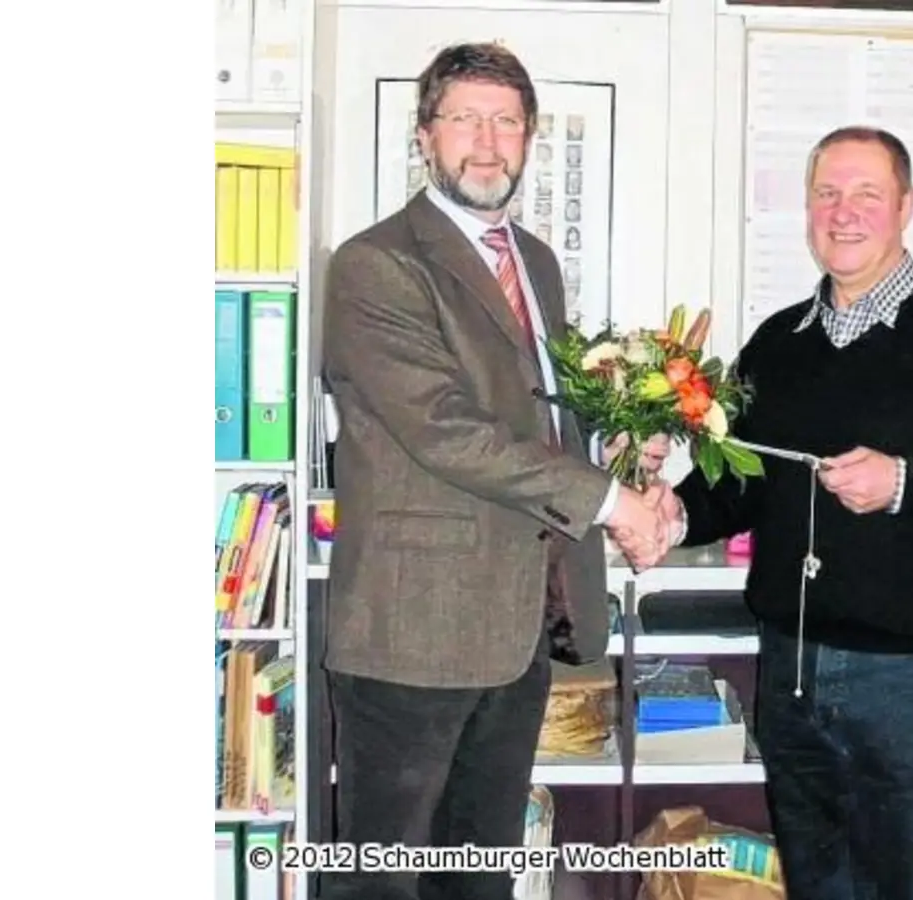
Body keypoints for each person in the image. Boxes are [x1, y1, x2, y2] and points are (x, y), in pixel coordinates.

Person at [652, 126, 913, 900]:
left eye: (866, 194)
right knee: (817, 879)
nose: (843, 213)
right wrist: (668, 514)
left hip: (912, 680)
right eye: (827, 194)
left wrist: (907, 483)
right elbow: (738, 483)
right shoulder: (777, 344)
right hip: (791, 670)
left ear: (906, 206)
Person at [320, 42, 669, 900]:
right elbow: (446, 431)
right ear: (423, 136)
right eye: (465, 119)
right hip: (413, 627)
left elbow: (538, 418)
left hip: (518, 624)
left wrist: (624, 457)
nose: (487, 141)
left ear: (530, 137)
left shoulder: (536, 263)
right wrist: (613, 502)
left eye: (507, 121)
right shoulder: (376, 264)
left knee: (479, 873)